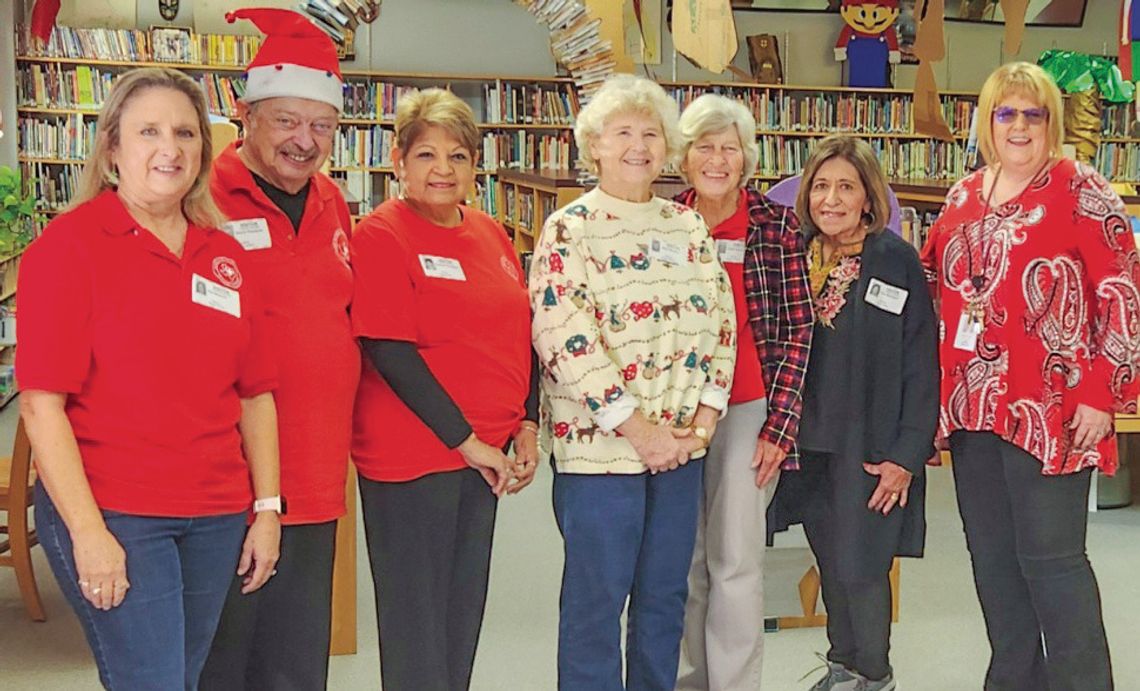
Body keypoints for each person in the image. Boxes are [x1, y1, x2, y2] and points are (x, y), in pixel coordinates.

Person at [15, 67, 281, 691]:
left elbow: (256, 392)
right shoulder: (69, 247)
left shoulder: (226, 256)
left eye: (186, 133)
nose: (171, 149)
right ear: (112, 149)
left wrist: (266, 508)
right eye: (149, 132)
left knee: (181, 678)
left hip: (216, 512)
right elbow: (40, 406)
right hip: (118, 509)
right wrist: (88, 533)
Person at [921, 61, 1140, 691]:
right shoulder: (964, 195)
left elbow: (1122, 295)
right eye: (1006, 112)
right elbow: (933, 281)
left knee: (1053, 565)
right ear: (987, 122)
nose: (1019, 125)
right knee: (993, 565)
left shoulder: (1083, 189)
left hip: (1055, 408)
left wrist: (1103, 394)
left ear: (1052, 122)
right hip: (972, 410)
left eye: (1033, 113)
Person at [529, 74, 737, 691]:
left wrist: (702, 422)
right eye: (622, 133)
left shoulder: (688, 226)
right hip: (599, 453)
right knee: (597, 605)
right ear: (593, 144)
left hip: (680, 450)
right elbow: (565, 336)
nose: (638, 146)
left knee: (664, 600)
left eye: (651, 133)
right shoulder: (568, 229)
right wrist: (639, 431)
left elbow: (721, 323)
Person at [350, 87, 539, 690]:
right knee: (416, 624)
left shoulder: (489, 232)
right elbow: (388, 350)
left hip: (483, 457)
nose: (443, 170)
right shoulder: (382, 234)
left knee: (461, 613)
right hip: (414, 457)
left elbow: (521, 331)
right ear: (399, 160)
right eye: (427, 154)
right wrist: (468, 440)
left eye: (458, 156)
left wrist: (526, 424)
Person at [200, 9, 360, 691]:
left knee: (297, 663)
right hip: (227, 483)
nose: (305, 140)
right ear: (246, 114)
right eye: (286, 121)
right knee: (224, 660)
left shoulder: (333, 203)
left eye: (320, 124)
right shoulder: (201, 199)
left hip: (318, 479)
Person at [770, 135, 938, 691]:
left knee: (864, 565)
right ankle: (842, 662)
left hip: (870, 447)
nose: (832, 199)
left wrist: (905, 455)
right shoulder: (795, 252)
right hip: (807, 444)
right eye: (821, 186)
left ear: (869, 196)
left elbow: (921, 363)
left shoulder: (895, 259)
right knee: (829, 560)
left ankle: (875, 674)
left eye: (846, 186)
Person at [672, 93, 814, 691]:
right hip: (673, 413)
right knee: (681, 560)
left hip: (749, 410)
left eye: (729, 147)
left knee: (736, 560)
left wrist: (781, 426)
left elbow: (800, 327)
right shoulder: (664, 221)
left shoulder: (777, 225)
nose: (717, 158)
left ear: (747, 159)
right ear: (684, 157)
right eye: (705, 146)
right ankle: (687, 679)